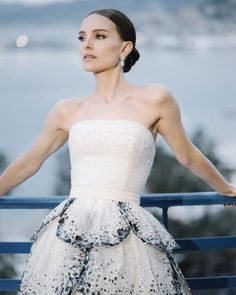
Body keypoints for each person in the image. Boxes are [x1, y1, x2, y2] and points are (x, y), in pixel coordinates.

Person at [0, 8, 236, 295]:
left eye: (99, 36)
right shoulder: (67, 109)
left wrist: (224, 187)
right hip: (69, 234)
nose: (87, 44)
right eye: (82, 37)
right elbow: (30, 161)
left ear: (125, 47)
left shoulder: (155, 98)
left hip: (130, 238)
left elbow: (186, 154)